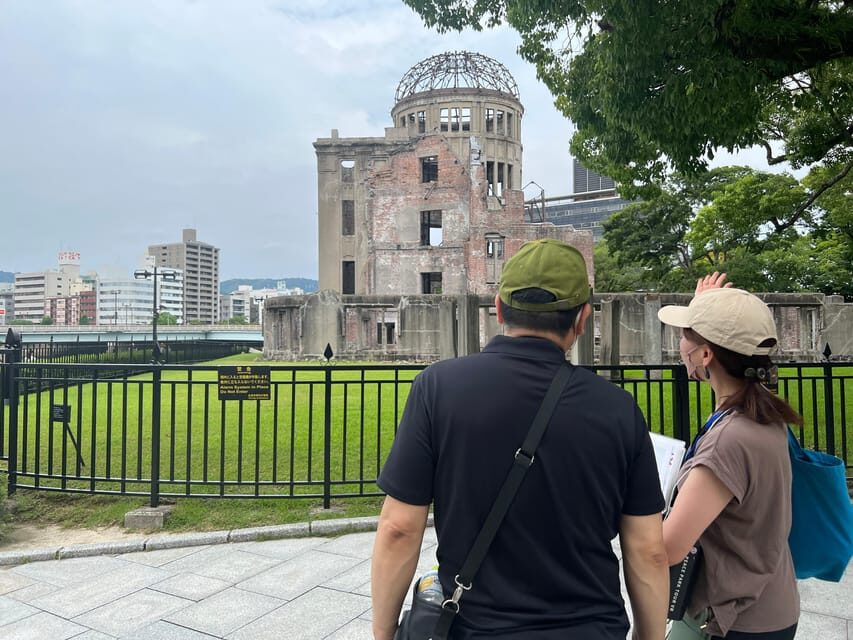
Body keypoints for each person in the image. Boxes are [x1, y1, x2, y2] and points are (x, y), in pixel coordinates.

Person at [371, 238, 669, 640]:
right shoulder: (618, 409)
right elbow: (648, 550)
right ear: (582, 319)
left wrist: (383, 632)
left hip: (477, 629)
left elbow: (399, 529)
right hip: (590, 628)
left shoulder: (437, 389)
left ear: (498, 309)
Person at [658, 273, 801, 639]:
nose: (679, 343)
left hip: (733, 620)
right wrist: (708, 312)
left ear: (705, 354)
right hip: (771, 604)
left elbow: (668, 547)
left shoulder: (729, 440)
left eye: (685, 335)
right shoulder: (763, 416)